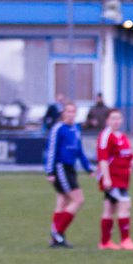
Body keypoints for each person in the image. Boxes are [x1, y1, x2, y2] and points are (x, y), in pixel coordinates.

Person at [43, 100, 94, 247]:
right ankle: (57, 233)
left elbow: (79, 151)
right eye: (68, 111)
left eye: (73, 112)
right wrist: (50, 171)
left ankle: (56, 239)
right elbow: (51, 150)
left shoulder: (76, 129)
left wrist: (88, 168)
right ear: (63, 113)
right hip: (61, 168)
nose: (71, 114)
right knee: (78, 200)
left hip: (70, 169)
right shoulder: (58, 129)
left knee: (63, 202)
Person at [96, 108, 133, 250]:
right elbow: (103, 159)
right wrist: (106, 178)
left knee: (109, 208)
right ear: (107, 120)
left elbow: (130, 157)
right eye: (113, 118)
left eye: (118, 118)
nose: (116, 121)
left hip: (123, 179)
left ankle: (105, 242)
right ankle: (125, 240)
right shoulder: (106, 136)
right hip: (112, 179)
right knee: (125, 204)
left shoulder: (122, 136)